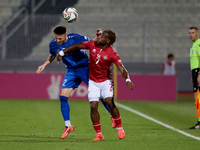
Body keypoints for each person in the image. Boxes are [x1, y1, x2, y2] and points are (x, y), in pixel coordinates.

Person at [36, 26, 115, 139]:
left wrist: (97, 37)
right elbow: (52, 55)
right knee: (63, 96)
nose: (57, 41)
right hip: (71, 71)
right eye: (56, 38)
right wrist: (44, 64)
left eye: (60, 38)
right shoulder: (52, 44)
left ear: (65, 35)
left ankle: (113, 116)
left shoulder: (76, 37)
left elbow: (91, 42)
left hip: (85, 68)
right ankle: (68, 126)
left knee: (100, 94)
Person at [57, 29, 134, 141]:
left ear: (108, 41)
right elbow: (77, 46)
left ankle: (120, 128)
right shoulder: (92, 45)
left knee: (109, 102)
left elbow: (121, 68)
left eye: (102, 37)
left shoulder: (112, 54)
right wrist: (62, 52)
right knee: (93, 107)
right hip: (93, 81)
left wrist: (127, 79)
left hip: (106, 81)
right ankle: (99, 134)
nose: (99, 37)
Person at [189, 26, 200, 129]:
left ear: (197, 33)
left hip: (198, 71)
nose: (191, 35)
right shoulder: (194, 45)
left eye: (193, 32)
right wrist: (193, 75)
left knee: (198, 98)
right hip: (195, 72)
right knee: (196, 98)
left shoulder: (199, 44)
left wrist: (199, 73)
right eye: (189, 33)